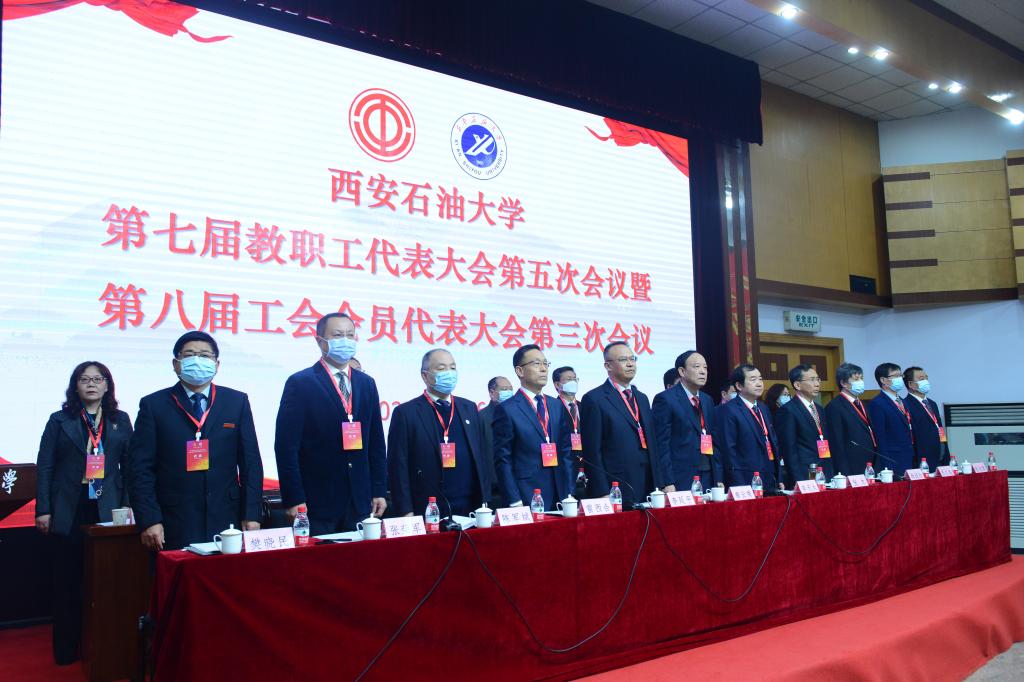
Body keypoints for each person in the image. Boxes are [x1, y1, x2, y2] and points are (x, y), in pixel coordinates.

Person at [129, 331, 263, 551]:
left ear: (217, 365)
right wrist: (149, 519)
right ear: (176, 364)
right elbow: (140, 469)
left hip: (227, 517)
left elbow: (251, 463)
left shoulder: (236, 401)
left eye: (205, 356)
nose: (198, 361)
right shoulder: (154, 405)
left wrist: (252, 514)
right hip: (173, 519)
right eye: (190, 355)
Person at [36, 362, 132, 664]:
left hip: (108, 505)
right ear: (75, 386)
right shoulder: (59, 420)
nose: (91, 384)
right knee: (67, 579)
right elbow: (45, 466)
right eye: (84, 379)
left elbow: (130, 466)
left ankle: (104, 647)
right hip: (69, 505)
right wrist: (44, 509)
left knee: (106, 579)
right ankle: (66, 650)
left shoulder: (120, 420)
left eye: (97, 379)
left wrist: (128, 503)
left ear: (107, 385)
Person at [275, 313, 386, 534]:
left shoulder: (367, 383)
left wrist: (379, 489)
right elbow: (286, 446)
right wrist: (294, 497)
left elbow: (376, 442)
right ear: (320, 341)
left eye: (350, 335)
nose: (345, 340)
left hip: (360, 500)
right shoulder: (301, 383)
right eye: (337, 335)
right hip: (316, 501)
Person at [387, 349, 492, 518]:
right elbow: (398, 466)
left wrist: (485, 499)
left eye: (453, 368)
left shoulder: (469, 408)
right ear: (425, 376)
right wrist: (405, 510)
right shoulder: (406, 413)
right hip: (428, 506)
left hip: (470, 505)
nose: (449, 373)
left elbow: (482, 457)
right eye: (442, 368)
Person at [579, 342, 665, 508]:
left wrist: (660, 483)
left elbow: (653, 444)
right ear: (608, 366)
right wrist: (601, 491)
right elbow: (592, 450)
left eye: (633, 359)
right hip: (617, 484)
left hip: (649, 481)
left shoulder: (642, 397)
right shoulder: (594, 399)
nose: (630, 364)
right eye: (624, 359)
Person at [493, 345, 573, 509]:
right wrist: (514, 500)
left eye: (545, 363)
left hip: (561, 494)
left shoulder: (556, 405)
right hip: (526, 495)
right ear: (520, 371)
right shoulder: (507, 409)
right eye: (536, 364)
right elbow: (503, 459)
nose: (543, 369)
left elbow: (566, 452)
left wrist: (570, 491)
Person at [652, 350, 722, 491]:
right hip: (681, 476)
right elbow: (661, 445)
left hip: (709, 474)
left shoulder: (707, 400)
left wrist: (718, 477)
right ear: (682, 371)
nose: (703, 371)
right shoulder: (665, 399)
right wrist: (667, 481)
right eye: (697, 366)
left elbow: (715, 441)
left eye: (705, 367)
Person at [717, 364, 780, 491]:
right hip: (745, 479)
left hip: (769, 477)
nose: (759, 383)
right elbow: (729, 450)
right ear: (739, 386)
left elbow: (772, 441)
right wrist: (738, 483)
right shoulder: (729, 410)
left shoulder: (763, 408)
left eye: (760, 379)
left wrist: (779, 477)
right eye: (753, 379)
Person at [774, 364, 832, 487]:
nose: (817, 384)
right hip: (804, 474)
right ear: (797, 385)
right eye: (812, 380)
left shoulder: (819, 409)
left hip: (825, 471)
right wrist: (799, 480)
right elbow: (789, 449)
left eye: (818, 379)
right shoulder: (788, 410)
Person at [824, 362, 878, 476]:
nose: (861, 382)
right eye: (856, 379)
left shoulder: (862, 404)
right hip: (851, 465)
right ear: (843, 383)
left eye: (861, 378)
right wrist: (844, 472)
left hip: (870, 461)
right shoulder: (834, 406)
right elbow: (836, 443)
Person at [867, 362, 915, 476]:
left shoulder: (903, 401)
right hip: (892, 460)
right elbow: (880, 437)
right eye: (896, 376)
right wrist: (887, 465)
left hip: (909, 457)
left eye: (900, 375)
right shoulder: (877, 403)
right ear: (883, 380)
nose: (900, 379)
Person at [903, 367, 949, 470]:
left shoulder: (932, 403)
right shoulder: (906, 404)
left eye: (926, 378)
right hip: (922, 460)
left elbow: (939, 428)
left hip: (941, 455)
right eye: (921, 378)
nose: (926, 381)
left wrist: (945, 450)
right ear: (911, 384)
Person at [478, 375, 512, 507]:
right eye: (504, 389)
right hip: (494, 486)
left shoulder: (517, 415)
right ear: (492, 393)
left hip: (517, 482)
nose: (509, 392)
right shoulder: (481, 417)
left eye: (510, 388)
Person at [552, 366, 583, 474]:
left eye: (575, 379)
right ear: (557, 384)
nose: (573, 382)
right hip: (564, 465)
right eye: (569, 379)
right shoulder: (552, 408)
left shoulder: (585, 406)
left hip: (587, 463)